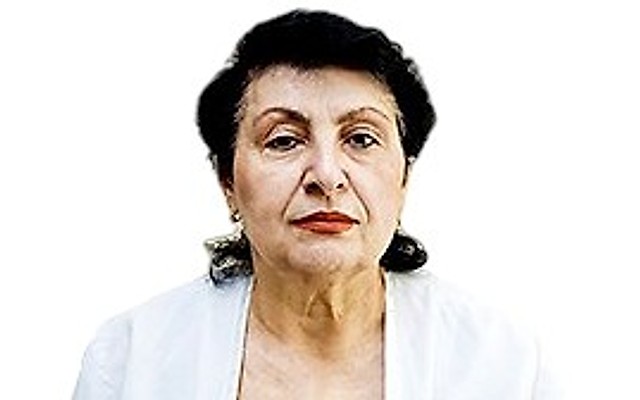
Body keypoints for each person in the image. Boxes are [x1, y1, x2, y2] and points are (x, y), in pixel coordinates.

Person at [73, 9, 560, 399]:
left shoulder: (504, 367)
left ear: (404, 178)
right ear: (227, 181)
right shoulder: (130, 361)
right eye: (284, 140)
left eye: (361, 139)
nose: (327, 176)